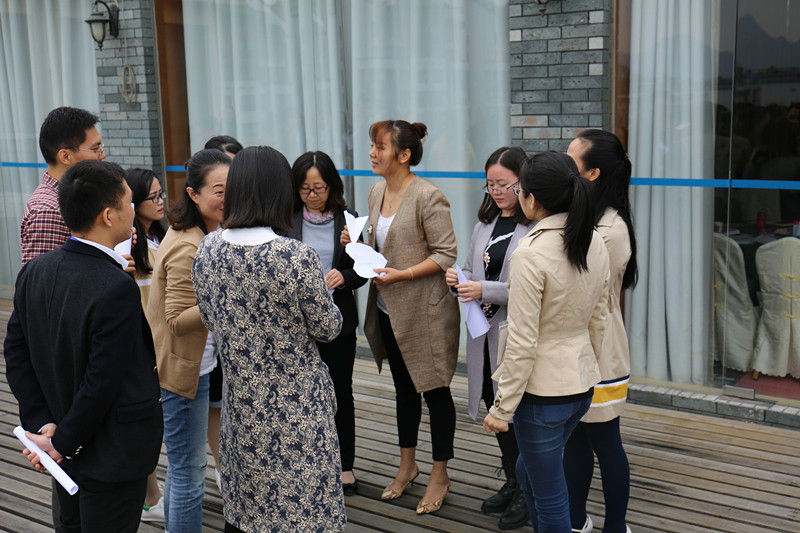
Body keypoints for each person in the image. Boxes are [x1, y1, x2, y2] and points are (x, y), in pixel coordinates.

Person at [192, 145, 346, 533]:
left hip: (241, 411)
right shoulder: (296, 256)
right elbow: (328, 328)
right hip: (299, 415)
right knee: (305, 515)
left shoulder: (208, 248)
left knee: (249, 515)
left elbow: (209, 317)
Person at [4, 160, 163, 533]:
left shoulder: (35, 271)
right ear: (108, 215)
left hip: (61, 444)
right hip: (110, 453)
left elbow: (16, 354)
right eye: (128, 202)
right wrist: (61, 441)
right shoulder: (115, 287)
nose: (133, 210)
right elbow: (102, 380)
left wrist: (45, 426)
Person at [484, 151, 610, 533]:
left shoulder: (530, 253)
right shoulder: (593, 239)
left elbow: (523, 341)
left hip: (541, 395)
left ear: (532, 199)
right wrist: (591, 369)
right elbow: (599, 317)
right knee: (531, 471)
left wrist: (502, 409)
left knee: (551, 497)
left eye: (518, 189)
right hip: (580, 384)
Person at [342, 119, 459, 514]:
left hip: (426, 312)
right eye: (372, 145)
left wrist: (404, 274)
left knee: (436, 391)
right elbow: (382, 247)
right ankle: (407, 465)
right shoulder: (376, 191)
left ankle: (440, 473)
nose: (372, 153)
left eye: (380, 147)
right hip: (388, 309)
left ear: (404, 154)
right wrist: (356, 242)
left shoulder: (429, 196)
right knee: (404, 390)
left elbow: (446, 254)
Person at [445, 146, 534, 530]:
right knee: (492, 405)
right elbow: (471, 268)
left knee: (516, 414)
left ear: (523, 183)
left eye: (503, 184)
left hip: (514, 336)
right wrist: (459, 280)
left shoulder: (535, 228)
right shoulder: (485, 224)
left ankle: (528, 491)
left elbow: (529, 289)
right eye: (490, 184)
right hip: (482, 334)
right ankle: (513, 480)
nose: (496, 191)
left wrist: (484, 289)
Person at [146, 149, 230, 533]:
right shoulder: (187, 245)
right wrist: (225, 299)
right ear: (194, 194)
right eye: (219, 190)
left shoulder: (208, 232)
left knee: (188, 469)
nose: (228, 198)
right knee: (188, 472)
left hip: (201, 364)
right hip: (181, 373)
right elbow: (177, 321)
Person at [564, 130, 637, 533]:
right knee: (574, 438)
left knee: (606, 442)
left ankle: (615, 526)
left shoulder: (610, 230)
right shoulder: (585, 216)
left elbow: (581, 293)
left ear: (592, 173)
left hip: (601, 350)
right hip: (575, 346)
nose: (564, 166)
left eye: (571, 161)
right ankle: (576, 521)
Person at [287, 151, 367, 495]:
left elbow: (365, 269)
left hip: (338, 322)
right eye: (305, 189)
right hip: (296, 324)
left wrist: (345, 275)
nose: (312, 195)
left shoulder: (348, 221)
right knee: (298, 394)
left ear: (332, 186)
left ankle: (345, 465)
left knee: (340, 391)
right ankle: (305, 462)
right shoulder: (286, 220)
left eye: (319, 188)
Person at [125, 167, 168, 522]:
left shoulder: (160, 234)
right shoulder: (129, 244)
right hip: (142, 342)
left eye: (161, 194)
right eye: (152, 197)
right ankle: (151, 498)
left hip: (164, 340)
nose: (160, 201)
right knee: (146, 421)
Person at [202, 134, 242, 488]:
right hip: (208, 346)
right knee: (215, 404)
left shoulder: (250, 222)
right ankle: (222, 470)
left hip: (241, 346)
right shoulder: (196, 237)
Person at [21, 106, 106, 266]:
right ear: (65, 156)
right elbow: (44, 278)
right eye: (95, 149)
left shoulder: (77, 196)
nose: (103, 155)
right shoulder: (48, 211)